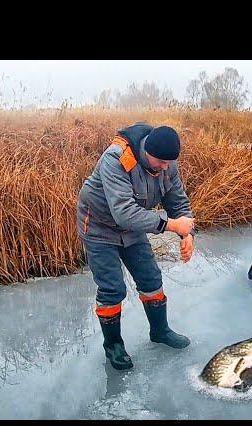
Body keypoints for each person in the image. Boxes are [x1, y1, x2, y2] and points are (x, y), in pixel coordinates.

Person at [77, 123, 197, 370]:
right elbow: (124, 213)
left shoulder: (167, 164)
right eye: (160, 162)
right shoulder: (117, 158)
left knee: (151, 278)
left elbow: (178, 202)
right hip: (99, 227)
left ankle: (160, 331)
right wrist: (173, 226)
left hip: (132, 227)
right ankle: (114, 347)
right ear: (146, 151)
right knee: (112, 289)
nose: (165, 167)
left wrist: (188, 234)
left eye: (169, 163)